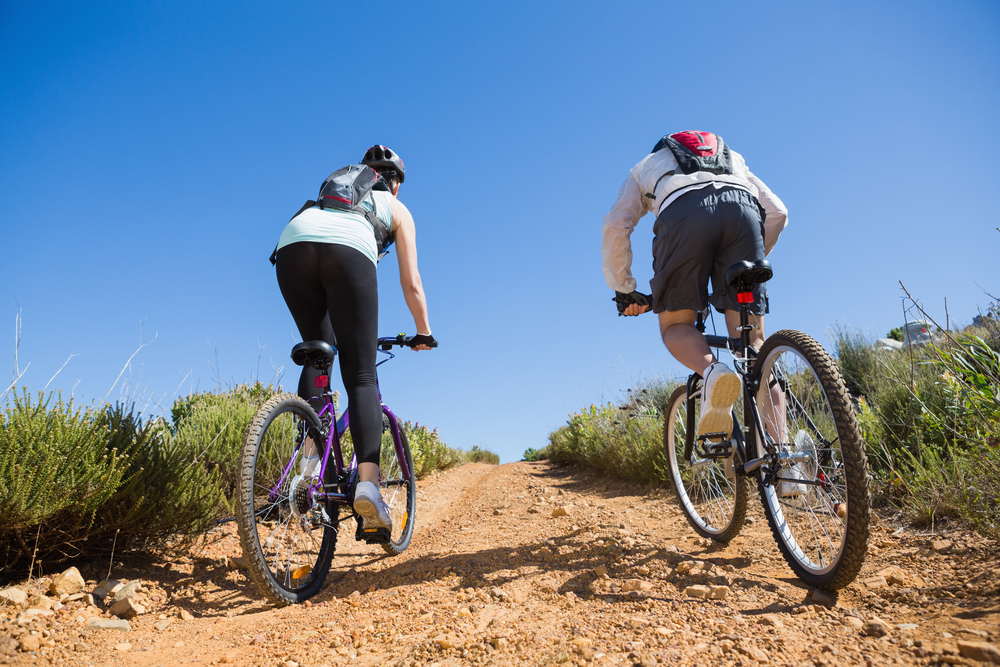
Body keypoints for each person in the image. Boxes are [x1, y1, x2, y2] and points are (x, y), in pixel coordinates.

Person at [272, 145, 435, 534]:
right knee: (361, 377)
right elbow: (411, 282)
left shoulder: (332, 194)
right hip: (348, 249)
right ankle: (368, 485)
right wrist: (424, 332)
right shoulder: (396, 208)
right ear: (394, 184)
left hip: (292, 243)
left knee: (318, 357)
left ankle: (307, 477)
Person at [602, 131, 788, 437]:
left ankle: (714, 373)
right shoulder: (733, 158)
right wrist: (736, 272)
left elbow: (615, 224)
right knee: (754, 344)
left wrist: (623, 288)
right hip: (743, 210)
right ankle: (786, 461)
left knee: (676, 326)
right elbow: (778, 213)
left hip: (683, 214)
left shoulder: (645, 166)